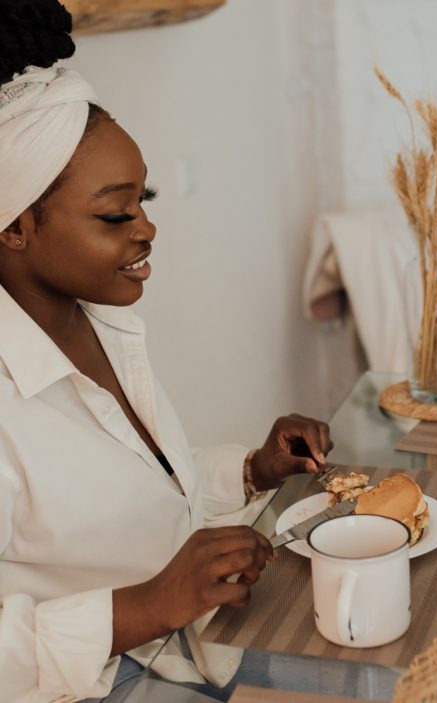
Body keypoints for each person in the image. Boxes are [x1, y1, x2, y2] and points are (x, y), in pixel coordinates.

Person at [0, 2, 332, 701]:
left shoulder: (98, 323)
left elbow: (143, 495)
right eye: (116, 213)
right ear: (17, 226)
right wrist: (149, 604)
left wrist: (248, 469)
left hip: (189, 647)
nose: (148, 228)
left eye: (144, 199)